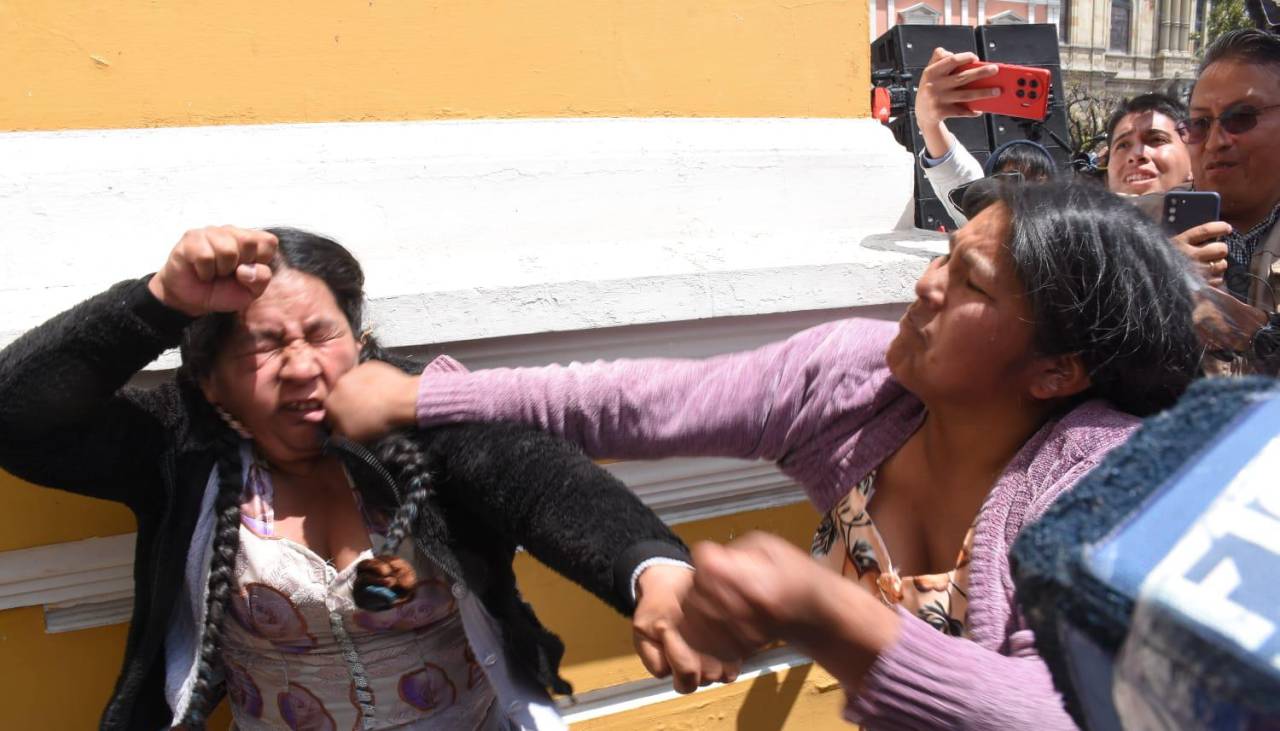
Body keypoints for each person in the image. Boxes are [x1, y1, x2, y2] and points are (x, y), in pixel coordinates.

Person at [325, 180, 1203, 729]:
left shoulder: (1103, 483)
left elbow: (1074, 714)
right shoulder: (858, 380)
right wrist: (425, 396)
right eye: (944, 255)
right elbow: (643, 399)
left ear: (1057, 369)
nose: (926, 284)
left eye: (971, 283)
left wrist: (821, 606)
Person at [0, 227, 727, 730]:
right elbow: (16, 414)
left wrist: (651, 569)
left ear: (361, 339)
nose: (304, 366)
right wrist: (159, 300)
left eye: (322, 334)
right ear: (212, 385)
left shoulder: (419, 409)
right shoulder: (179, 444)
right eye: (264, 344)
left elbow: (543, 481)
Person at [1156, 29, 1280, 309]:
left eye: (1241, 118)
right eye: (1200, 124)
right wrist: (1151, 289)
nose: (1215, 142)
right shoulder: (1132, 231)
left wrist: (1261, 338)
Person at [913, 47, 1057, 226]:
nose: (1022, 196)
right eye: (1011, 181)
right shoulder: (983, 224)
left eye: (1037, 184)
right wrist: (928, 123)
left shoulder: (1073, 236)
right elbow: (957, 174)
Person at [1103, 93, 1193, 197]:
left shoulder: (1211, 213)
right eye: (1122, 145)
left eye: (1157, 139)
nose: (1136, 155)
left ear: (1193, 161)